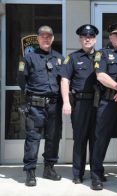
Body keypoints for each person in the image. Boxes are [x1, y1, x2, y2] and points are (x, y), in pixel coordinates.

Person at [18, 25, 64, 186]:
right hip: (35, 106)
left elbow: (63, 82)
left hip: (54, 106)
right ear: (37, 39)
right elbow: (21, 80)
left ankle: (49, 168)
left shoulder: (59, 58)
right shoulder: (28, 58)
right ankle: (30, 171)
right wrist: (28, 99)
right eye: (43, 36)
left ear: (52, 38)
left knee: (53, 138)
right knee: (33, 138)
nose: (46, 38)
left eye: (49, 36)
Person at [90, 23, 117, 190]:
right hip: (108, 103)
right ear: (110, 37)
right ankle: (96, 175)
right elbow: (101, 76)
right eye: (116, 34)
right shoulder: (102, 54)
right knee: (101, 139)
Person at [60, 24, 99, 185]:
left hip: (98, 103)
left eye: (90, 36)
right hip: (80, 104)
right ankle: (78, 173)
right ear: (80, 39)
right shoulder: (73, 58)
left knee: (97, 139)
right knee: (80, 139)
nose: (87, 39)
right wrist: (66, 102)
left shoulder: (101, 56)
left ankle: (97, 172)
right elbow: (64, 80)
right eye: (84, 36)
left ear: (95, 39)